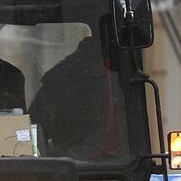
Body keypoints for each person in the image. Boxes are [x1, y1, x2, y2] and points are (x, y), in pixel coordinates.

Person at [28, 21, 123, 159]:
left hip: (121, 167)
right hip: (80, 166)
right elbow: (34, 128)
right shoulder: (66, 77)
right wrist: (57, 158)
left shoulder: (128, 73)